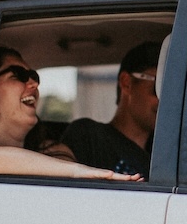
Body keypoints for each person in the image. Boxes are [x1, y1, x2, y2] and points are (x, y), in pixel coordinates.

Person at [0, 46, 134, 180]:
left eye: (33, 76)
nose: (34, 83)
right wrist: (78, 171)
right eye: (19, 75)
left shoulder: (54, 151)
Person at [61, 42, 160, 178]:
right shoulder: (88, 137)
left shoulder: (168, 154)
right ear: (127, 83)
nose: (166, 100)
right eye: (159, 87)